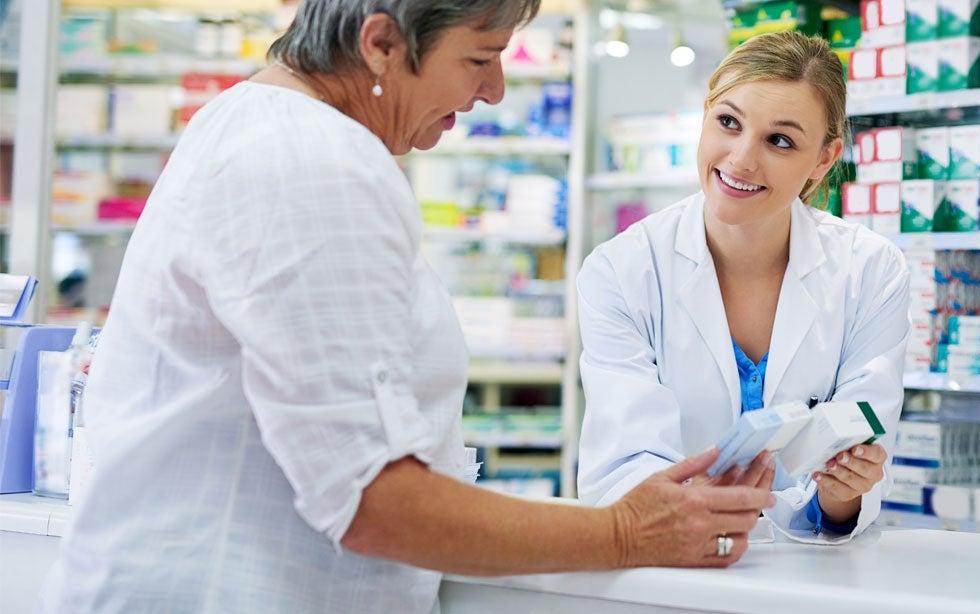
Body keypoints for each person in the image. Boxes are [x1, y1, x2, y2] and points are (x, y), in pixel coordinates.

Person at [40, 2, 773, 612]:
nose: (494, 92)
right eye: (480, 58)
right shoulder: (311, 161)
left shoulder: (272, 127)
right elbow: (371, 501)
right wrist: (622, 533)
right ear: (382, 43)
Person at [577, 31, 910, 542]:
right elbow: (624, 461)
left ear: (823, 159)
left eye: (780, 141)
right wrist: (702, 513)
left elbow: (851, 476)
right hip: (666, 565)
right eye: (728, 123)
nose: (740, 159)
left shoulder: (870, 271)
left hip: (812, 577)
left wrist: (842, 491)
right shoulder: (622, 271)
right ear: (704, 117)